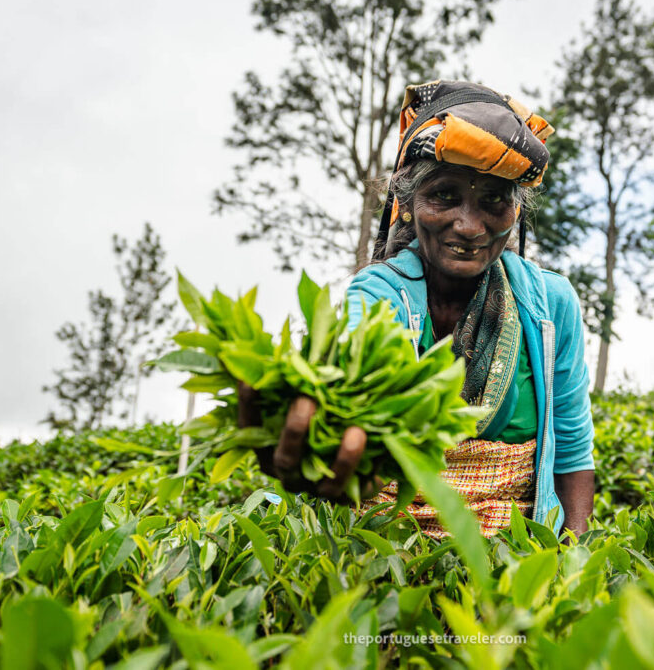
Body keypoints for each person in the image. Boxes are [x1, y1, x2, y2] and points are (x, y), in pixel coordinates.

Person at [238, 80, 595, 537]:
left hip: (517, 562)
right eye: (444, 196)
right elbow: (348, 385)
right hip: (387, 553)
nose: (468, 226)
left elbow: (571, 452)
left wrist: (574, 560)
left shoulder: (551, 305)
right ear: (407, 204)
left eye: (493, 200)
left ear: (515, 213)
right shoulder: (376, 296)